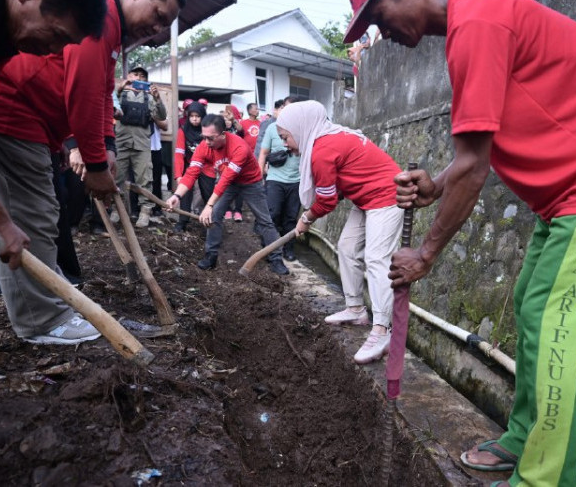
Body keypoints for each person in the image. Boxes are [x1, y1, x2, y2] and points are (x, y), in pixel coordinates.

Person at [343, 0, 576, 485]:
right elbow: (476, 146)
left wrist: (425, 255)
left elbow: (475, 169)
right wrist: (435, 187)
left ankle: (545, 478)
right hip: (571, 188)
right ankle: (525, 437)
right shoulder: (470, 23)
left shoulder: (476, 23)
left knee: (561, 324)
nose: (378, 31)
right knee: (529, 303)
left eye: (377, 13)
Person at [0, 0, 184, 343]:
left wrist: (107, 146)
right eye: (159, 15)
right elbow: (83, 93)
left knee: (35, 216)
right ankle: (43, 320)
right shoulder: (97, 15)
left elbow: (102, 91)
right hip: (14, 115)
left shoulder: (110, 29)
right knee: (34, 215)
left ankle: (48, 307)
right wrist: (97, 165)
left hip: (32, 122)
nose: (158, 28)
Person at [0, 0, 108, 319]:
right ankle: (41, 321)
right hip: (9, 123)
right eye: (57, 35)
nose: (54, 50)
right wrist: (1, 220)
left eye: (65, 45)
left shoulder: (1, 43)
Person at [277, 100, 404, 364]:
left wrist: (306, 219)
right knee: (346, 247)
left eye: (286, 137)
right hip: (366, 198)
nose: (285, 144)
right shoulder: (327, 139)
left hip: (388, 196)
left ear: (300, 129)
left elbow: (326, 201)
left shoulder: (322, 150)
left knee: (377, 259)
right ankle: (356, 309)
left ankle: (382, 330)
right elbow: (343, 182)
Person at [165, 114, 289, 276]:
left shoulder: (239, 147)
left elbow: (226, 178)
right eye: (204, 137)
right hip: (229, 183)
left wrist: (208, 205)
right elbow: (191, 173)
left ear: (223, 134)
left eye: (211, 138)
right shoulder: (204, 146)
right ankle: (211, 256)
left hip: (250, 183)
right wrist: (177, 196)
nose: (207, 142)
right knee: (215, 215)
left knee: (264, 220)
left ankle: (276, 258)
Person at [113, 66, 168, 228]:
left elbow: (162, 116)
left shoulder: (149, 97)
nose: (139, 77)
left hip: (142, 144)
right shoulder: (120, 93)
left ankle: (145, 212)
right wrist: (120, 88)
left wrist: (158, 99)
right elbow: (108, 106)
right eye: (135, 74)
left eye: (143, 76)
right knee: (118, 178)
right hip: (121, 142)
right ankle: (118, 210)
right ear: (128, 76)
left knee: (145, 179)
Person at [258, 99, 300, 261]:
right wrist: (260, 176)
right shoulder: (271, 128)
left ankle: (288, 249)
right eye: (284, 108)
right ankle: (269, 248)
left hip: (297, 180)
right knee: (273, 214)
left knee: (290, 218)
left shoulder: (302, 130)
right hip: (275, 179)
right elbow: (262, 154)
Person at [173, 101, 215, 233]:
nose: (194, 119)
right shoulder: (183, 130)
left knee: (208, 193)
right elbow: (179, 153)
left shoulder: (207, 130)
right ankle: (182, 221)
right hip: (189, 165)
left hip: (206, 166)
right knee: (184, 193)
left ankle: (210, 221)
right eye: (191, 116)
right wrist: (179, 175)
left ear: (203, 116)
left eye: (197, 116)